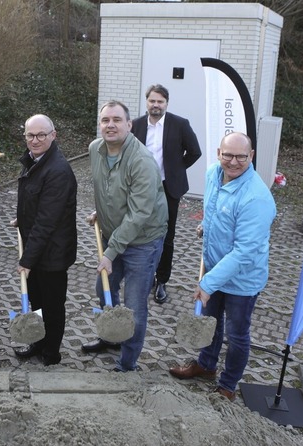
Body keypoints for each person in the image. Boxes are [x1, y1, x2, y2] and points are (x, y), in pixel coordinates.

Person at [169, 132, 276, 401]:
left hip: (242, 279)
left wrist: (207, 284)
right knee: (210, 323)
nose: (234, 162)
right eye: (228, 154)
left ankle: (228, 384)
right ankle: (206, 366)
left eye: (241, 156)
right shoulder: (213, 174)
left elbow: (243, 252)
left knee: (236, 333)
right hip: (214, 269)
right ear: (219, 153)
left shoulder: (257, 198)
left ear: (251, 156)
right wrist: (207, 225)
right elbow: (216, 210)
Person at [81, 101, 168, 372]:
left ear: (129, 125)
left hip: (143, 241)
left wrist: (109, 253)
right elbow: (106, 187)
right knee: (103, 289)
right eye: (105, 120)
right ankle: (111, 336)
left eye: (117, 119)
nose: (110, 125)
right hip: (113, 234)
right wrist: (102, 211)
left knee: (134, 305)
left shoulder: (141, 160)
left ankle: (128, 363)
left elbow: (139, 213)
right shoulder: (95, 149)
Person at [12, 114, 77, 366]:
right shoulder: (33, 161)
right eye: (30, 135)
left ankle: (51, 353)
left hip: (52, 254)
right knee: (37, 300)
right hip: (37, 248)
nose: (35, 140)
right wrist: (22, 219)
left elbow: (48, 220)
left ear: (53, 135)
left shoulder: (58, 170)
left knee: (51, 305)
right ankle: (37, 342)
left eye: (41, 135)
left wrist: (26, 260)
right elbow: (35, 202)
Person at [131, 84, 201, 304]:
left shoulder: (180, 124)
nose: (156, 105)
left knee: (166, 236)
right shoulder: (136, 125)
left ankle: (161, 280)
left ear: (166, 104)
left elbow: (195, 152)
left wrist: (176, 170)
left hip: (168, 189)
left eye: (160, 102)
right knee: (138, 231)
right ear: (147, 102)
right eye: (152, 101)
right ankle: (142, 275)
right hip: (141, 188)